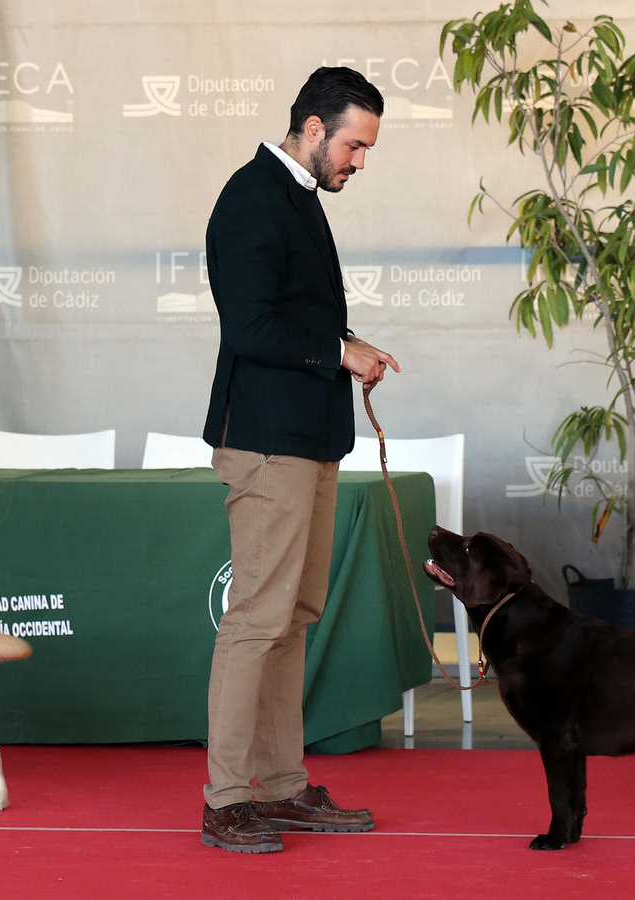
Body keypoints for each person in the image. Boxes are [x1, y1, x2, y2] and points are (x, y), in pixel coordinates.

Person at [199, 67, 400, 853]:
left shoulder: (299, 199)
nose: (358, 160)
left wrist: (340, 353)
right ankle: (224, 801)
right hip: (266, 440)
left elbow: (293, 322)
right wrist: (341, 351)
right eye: (353, 143)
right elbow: (249, 328)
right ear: (313, 129)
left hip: (310, 439)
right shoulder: (251, 198)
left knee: (293, 618)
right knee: (257, 622)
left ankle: (280, 788)